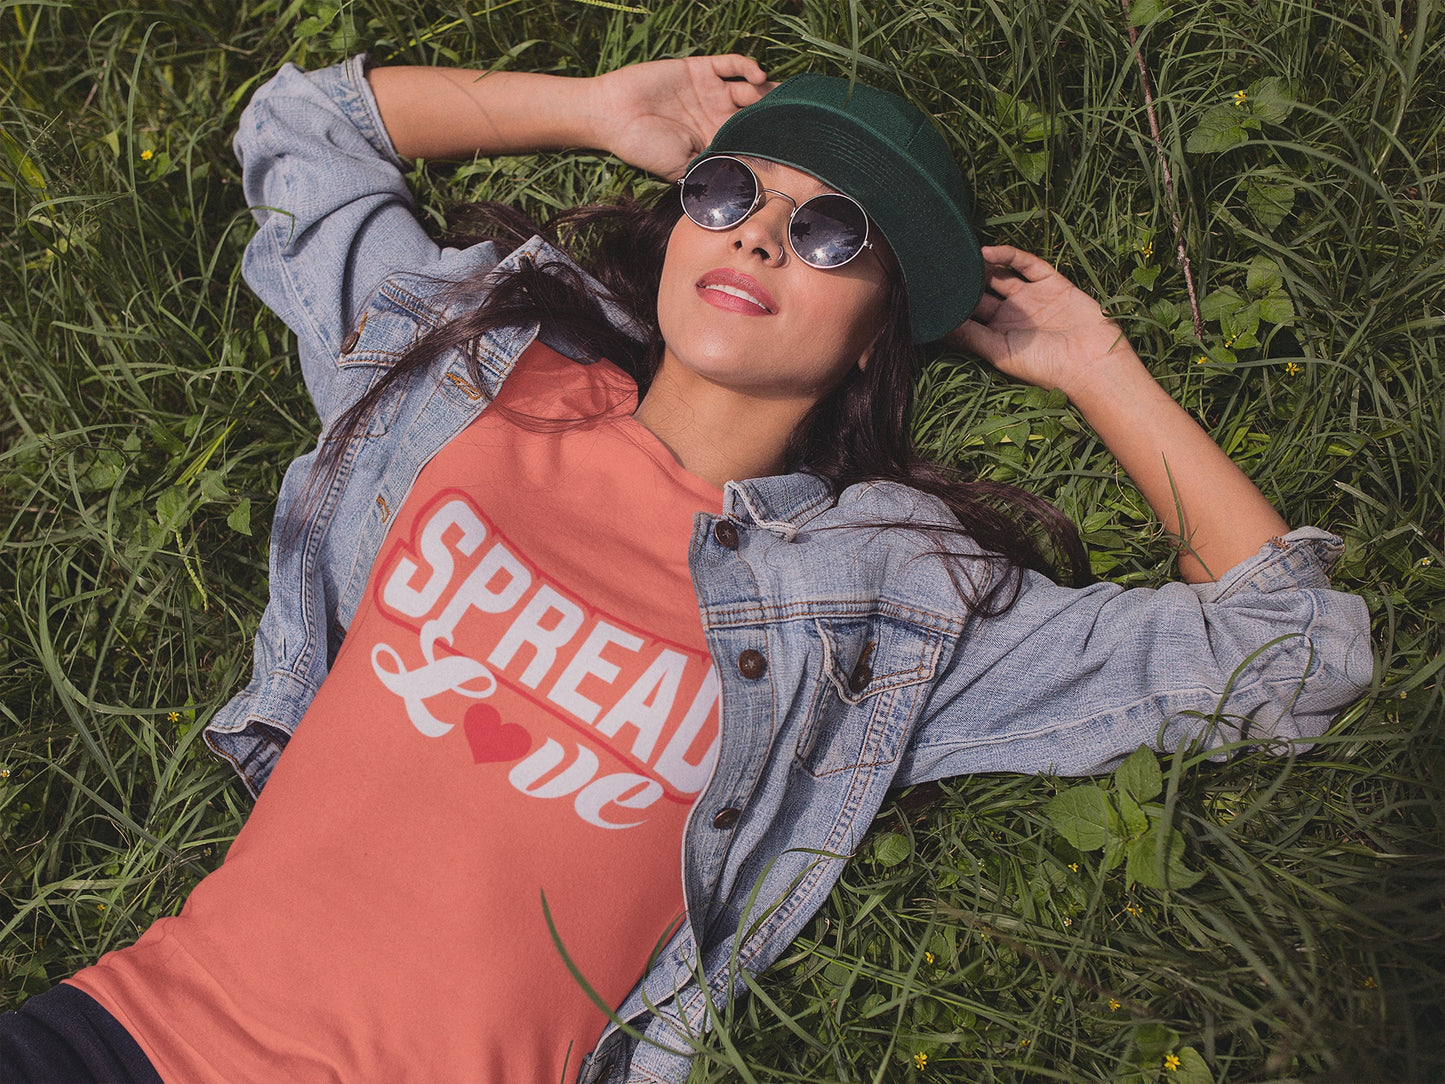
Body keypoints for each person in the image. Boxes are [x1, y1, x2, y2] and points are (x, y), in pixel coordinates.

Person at [0, 49, 1371, 1084]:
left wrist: (1092, 364)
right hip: (123, 1036)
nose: (761, 232)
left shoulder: (884, 596)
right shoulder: (471, 373)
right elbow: (301, 125)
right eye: (729, 192)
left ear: (879, 324)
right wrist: (599, 106)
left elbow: (1291, 655)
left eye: (833, 230)